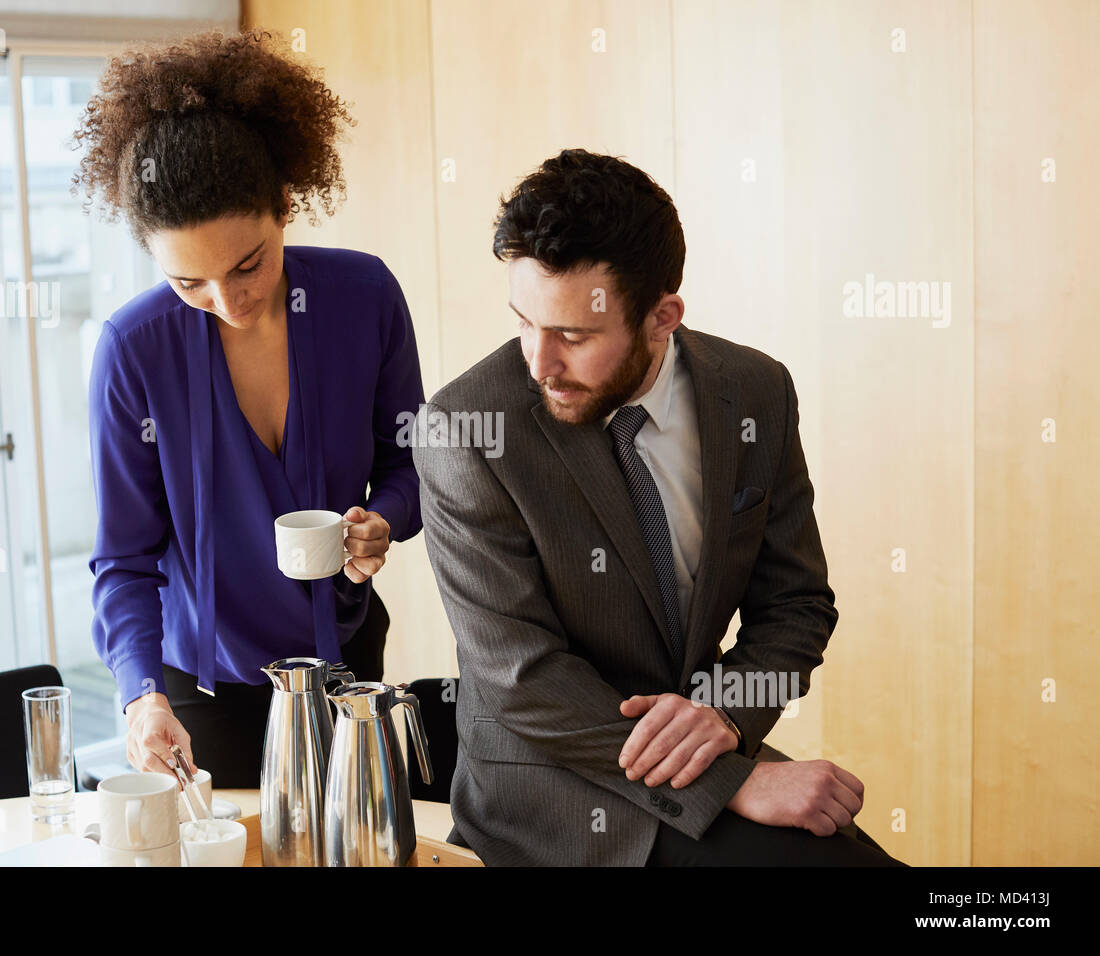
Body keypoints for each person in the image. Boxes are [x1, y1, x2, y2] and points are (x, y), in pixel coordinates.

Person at [412, 148, 904, 866]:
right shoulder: (464, 430)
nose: (539, 361)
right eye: (524, 322)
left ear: (661, 316)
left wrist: (726, 717)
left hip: (697, 744)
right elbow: (522, 677)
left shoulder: (757, 392)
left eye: (574, 336)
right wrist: (729, 779)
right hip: (552, 789)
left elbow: (796, 605)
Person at [75, 29, 424, 787]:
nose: (225, 302)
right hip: (201, 695)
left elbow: (413, 463)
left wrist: (384, 518)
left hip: (348, 670)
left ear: (286, 206)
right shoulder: (132, 349)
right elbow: (123, 561)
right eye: (187, 283)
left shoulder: (363, 299)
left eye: (247, 265)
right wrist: (140, 697)